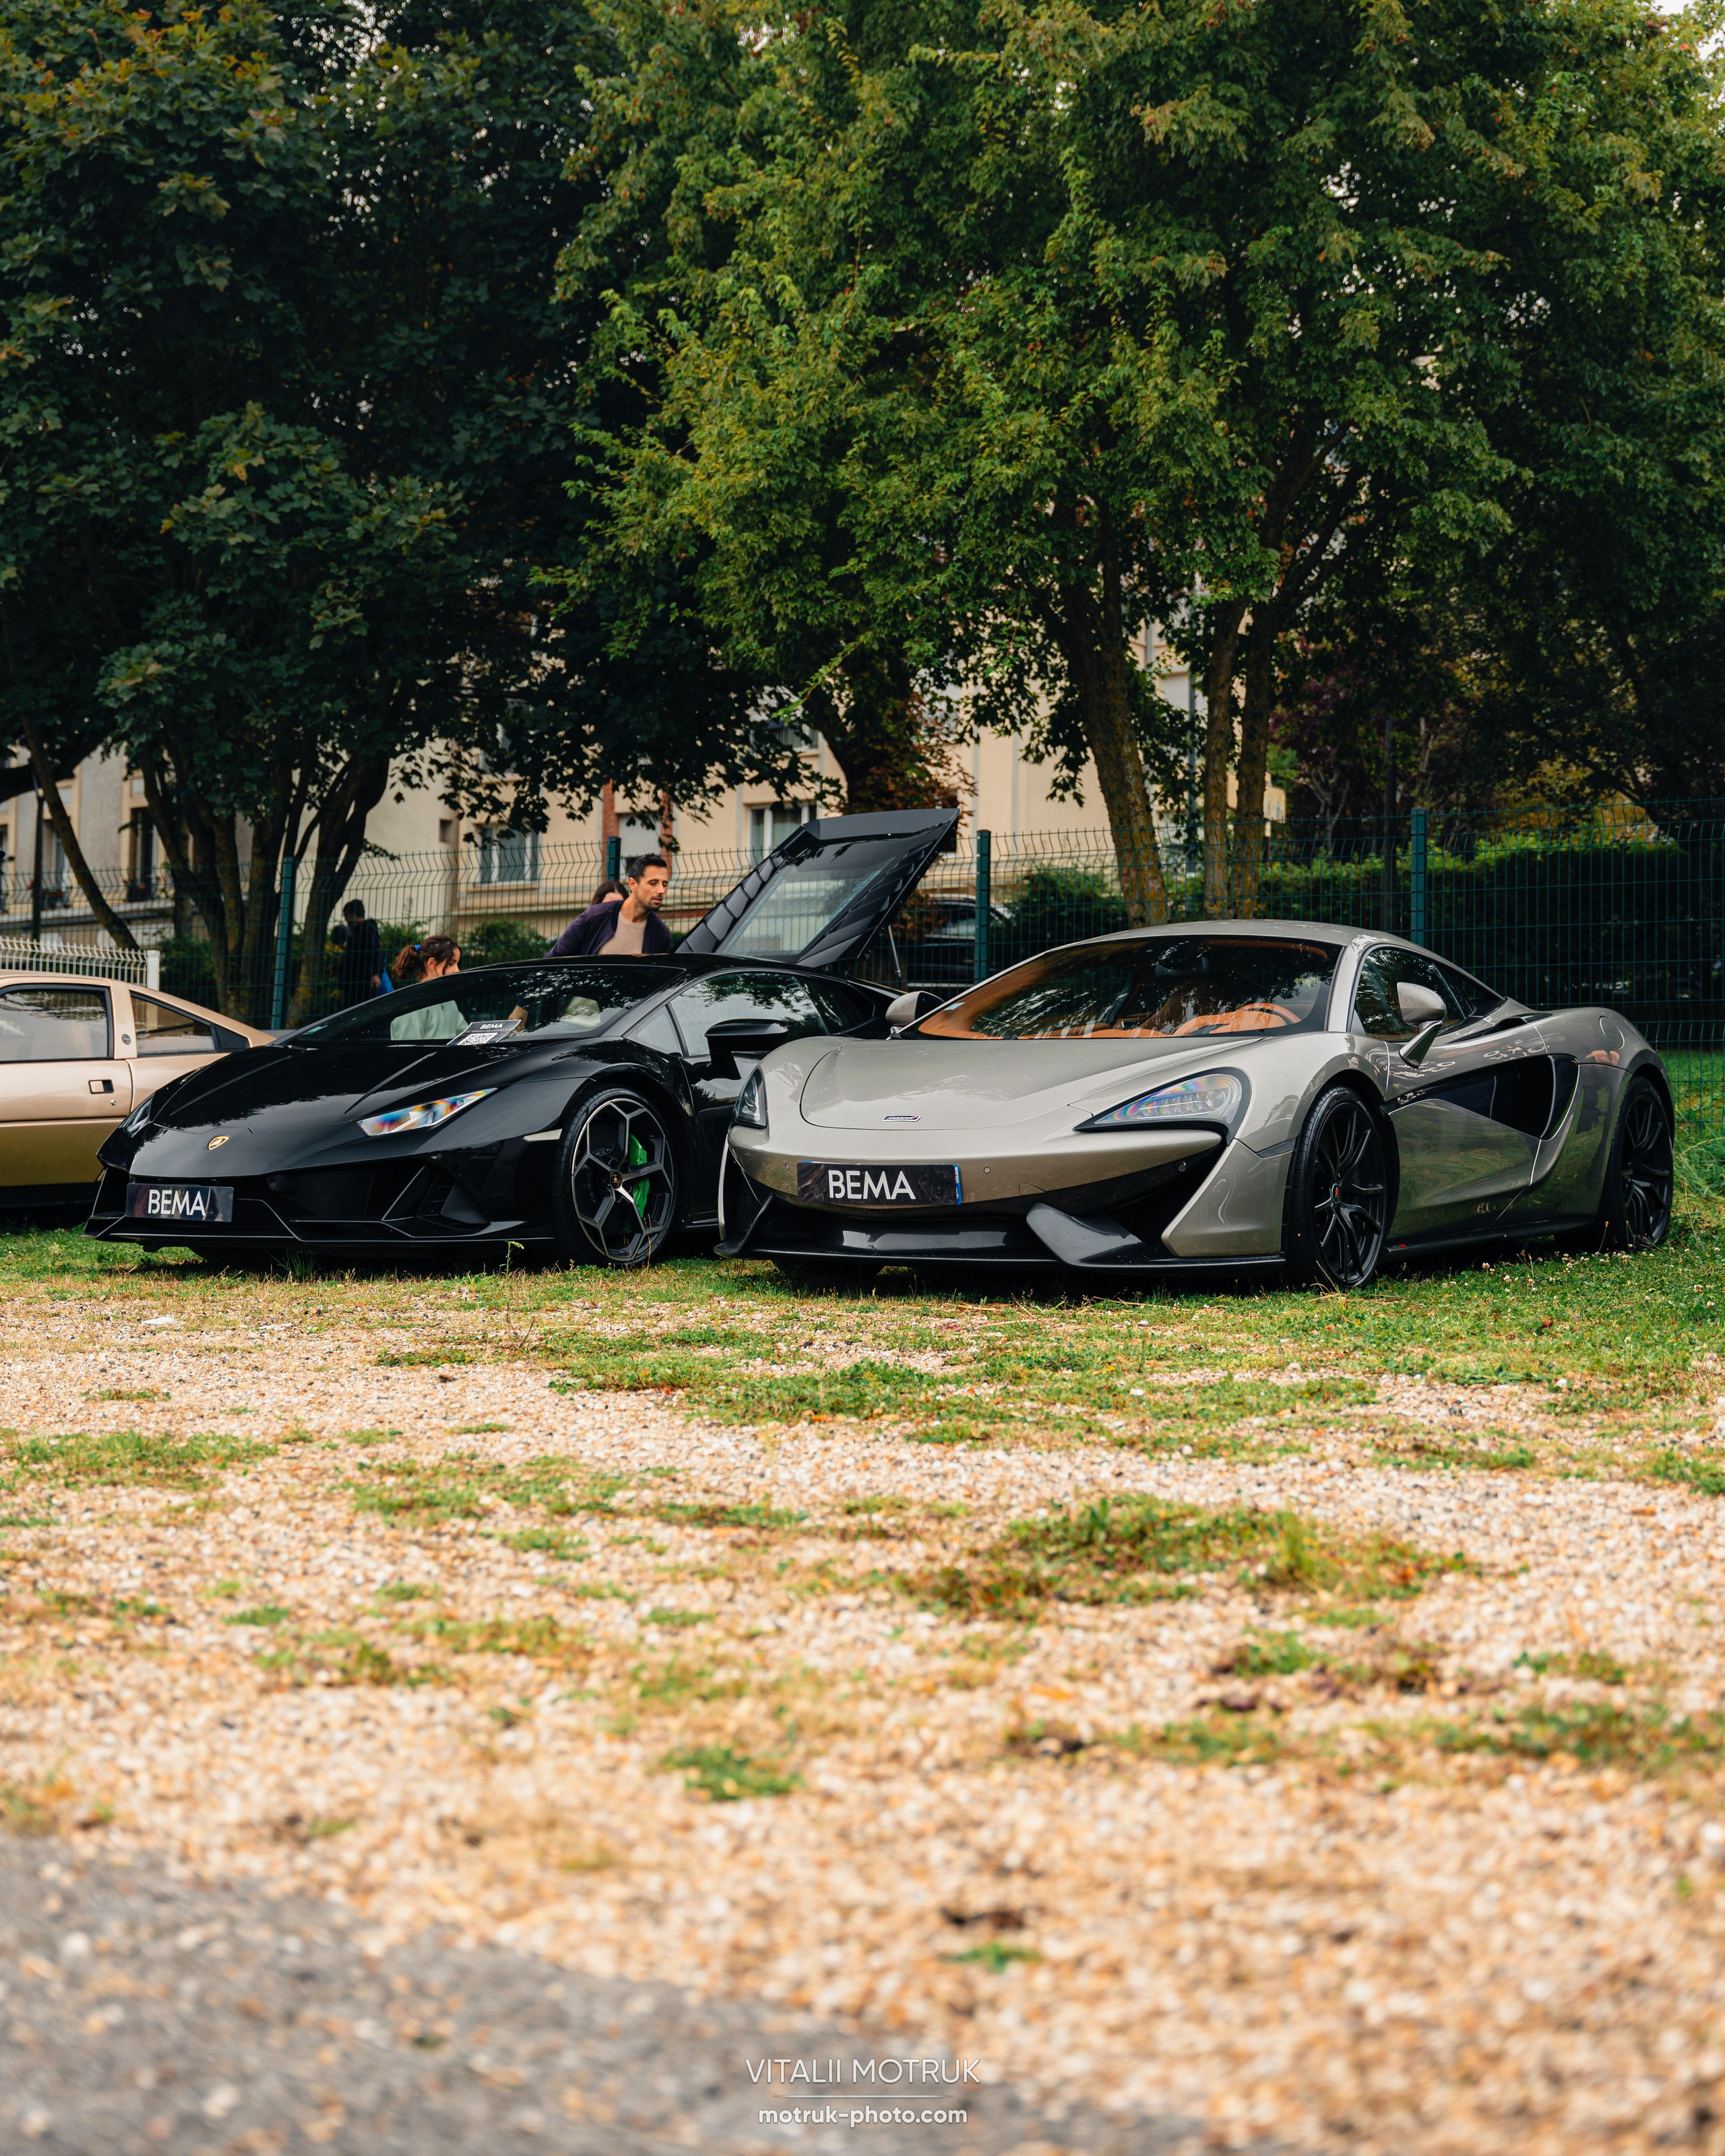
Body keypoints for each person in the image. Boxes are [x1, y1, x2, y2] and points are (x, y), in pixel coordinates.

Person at [548, 854, 672, 957]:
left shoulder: (661, 934)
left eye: (664, 884)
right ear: (633, 884)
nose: (661, 890)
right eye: (653, 883)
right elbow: (553, 961)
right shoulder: (594, 917)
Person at [387, 937, 464, 1041]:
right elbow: (406, 1052)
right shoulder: (413, 1005)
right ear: (432, 964)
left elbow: (464, 1034)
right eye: (451, 964)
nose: (457, 970)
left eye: (457, 964)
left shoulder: (449, 1001)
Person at [334, 899, 385, 1004]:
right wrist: (338, 968)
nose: (345, 918)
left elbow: (375, 954)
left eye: (346, 915)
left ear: (354, 915)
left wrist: (376, 974)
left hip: (364, 983)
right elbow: (352, 959)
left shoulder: (369, 931)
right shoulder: (354, 933)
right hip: (353, 983)